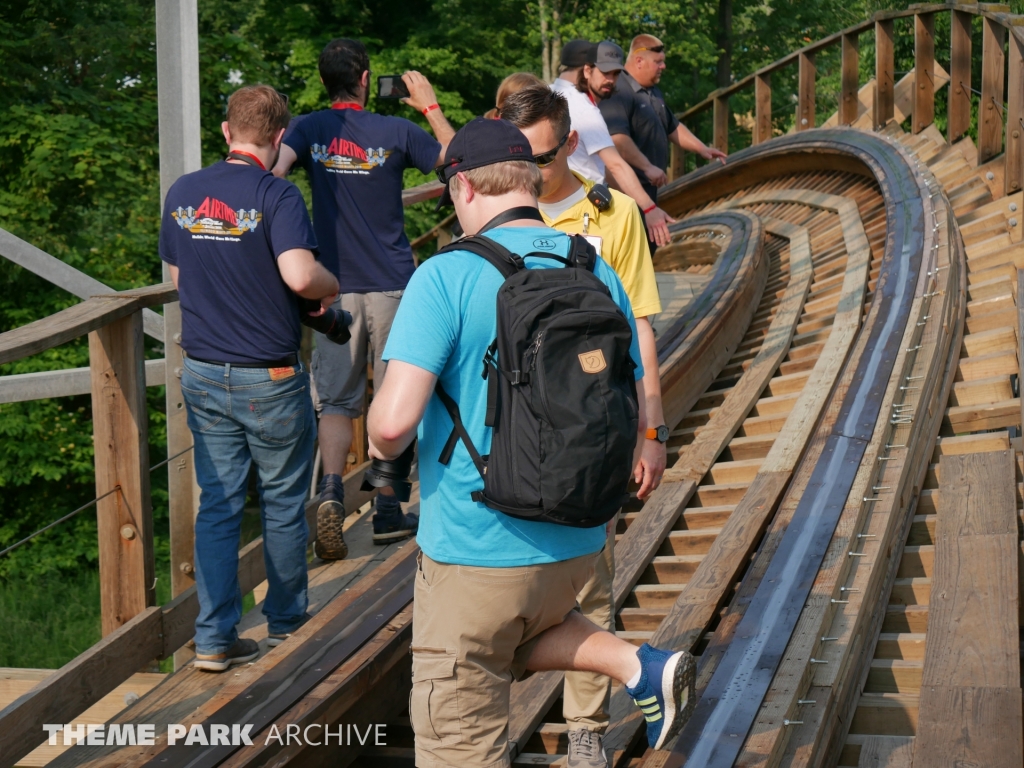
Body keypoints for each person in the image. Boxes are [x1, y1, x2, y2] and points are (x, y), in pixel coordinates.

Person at [366, 117, 694, 768]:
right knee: (519, 632)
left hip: (475, 547)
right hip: (575, 540)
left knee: (459, 740)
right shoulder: (592, 265)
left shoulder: (445, 276)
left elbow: (391, 426)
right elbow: (632, 380)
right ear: (529, 181)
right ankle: (637, 663)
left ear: (462, 187)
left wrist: (379, 449)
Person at [499, 85, 669, 767]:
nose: (528, 174)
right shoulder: (494, 208)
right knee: (501, 581)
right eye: (518, 158)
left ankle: (586, 733)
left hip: (592, 424)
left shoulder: (613, 214)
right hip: (512, 426)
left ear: (570, 143)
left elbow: (642, 327)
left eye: (538, 157)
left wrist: (651, 432)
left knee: (591, 581)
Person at [160, 85, 340, 672]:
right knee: (285, 503)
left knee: (219, 504)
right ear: (280, 136)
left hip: (205, 370)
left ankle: (214, 637)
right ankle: (286, 625)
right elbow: (297, 274)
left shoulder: (184, 192)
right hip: (271, 374)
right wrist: (328, 285)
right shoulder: (278, 195)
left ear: (225, 129)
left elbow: (182, 277)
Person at [272, 38, 455, 558]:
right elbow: (463, 162)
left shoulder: (308, 129)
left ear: (325, 81)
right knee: (391, 398)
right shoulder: (396, 130)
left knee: (335, 401)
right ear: (368, 79)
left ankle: (330, 493)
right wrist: (431, 107)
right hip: (394, 284)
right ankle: (388, 508)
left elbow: (274, 174)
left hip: (330, 288)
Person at [599, 33, 726, 255]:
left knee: (648, 249)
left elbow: (672, 126)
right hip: (625, 190)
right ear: (639, 61)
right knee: (631, 252)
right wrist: (647, 166)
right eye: (658, 62)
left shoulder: (653, 92)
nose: (663, 66)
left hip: (649, 189)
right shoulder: (619, 91)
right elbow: (617, 139)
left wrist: (702, 149)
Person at [550, 40, 675, 248]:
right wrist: (649, 209)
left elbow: (600, 166)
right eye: (605, 72)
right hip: (582, 214)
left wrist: (631, 201)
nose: (612, 81)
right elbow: (615, 164)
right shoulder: (582, 108)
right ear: (586, 70)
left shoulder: (548, 95)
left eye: (616, 74)